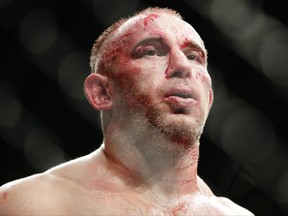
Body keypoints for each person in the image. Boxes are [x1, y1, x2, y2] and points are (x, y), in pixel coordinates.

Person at [0, 7, 254, 215]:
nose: (182, 66)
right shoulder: (33, 204)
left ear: (208, 97)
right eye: (152, 52)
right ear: (102, 92)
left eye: (193, 56)